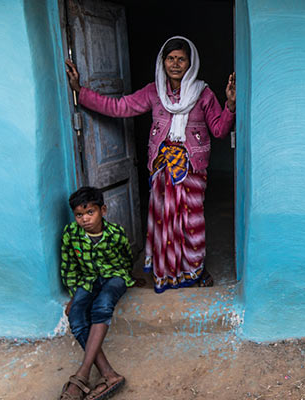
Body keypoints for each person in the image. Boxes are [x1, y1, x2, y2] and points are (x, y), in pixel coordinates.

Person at [65, 36, 235, 293]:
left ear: (191, 63)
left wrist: (230, 104)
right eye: (170, 59)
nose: (175, 64)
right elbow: (119, 107)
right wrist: (81, 92)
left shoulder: (204, 93)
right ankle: (167, 272)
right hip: (161, 170)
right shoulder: (153, 91)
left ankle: (195, 268)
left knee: (192, 222)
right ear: (162, 62)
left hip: (191, 170)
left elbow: (220, 130)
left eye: (181, 59)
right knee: (164, 222)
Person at [59, 186, 134, 400]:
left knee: (102, 305)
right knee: (75, 315)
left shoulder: (115, 233)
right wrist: (75, 295)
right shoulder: (70, 234)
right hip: (88, 279)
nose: (85, 219)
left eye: (90, 212)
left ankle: (82, 374)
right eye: (79, 215)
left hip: (115, 276)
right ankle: (108, 374)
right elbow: (69, 266)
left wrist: (127, 278)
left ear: (103, 210)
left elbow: (127, 258)